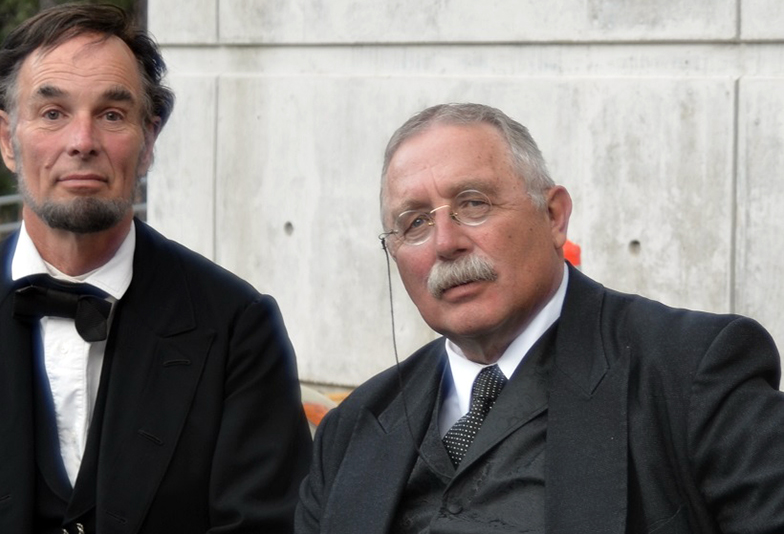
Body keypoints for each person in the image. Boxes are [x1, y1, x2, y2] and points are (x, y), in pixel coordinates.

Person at [0, 4, 311, 533]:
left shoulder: (239, 330)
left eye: (111, 114)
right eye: (53, 113)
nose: (82, 141)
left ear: (148, 140)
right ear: (6, 138)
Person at [296, 102, 784, 533]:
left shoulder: (692, 375)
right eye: (416, 222)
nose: (446, 243)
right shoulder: (352, 428)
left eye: (473, 204)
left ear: (554, 216)